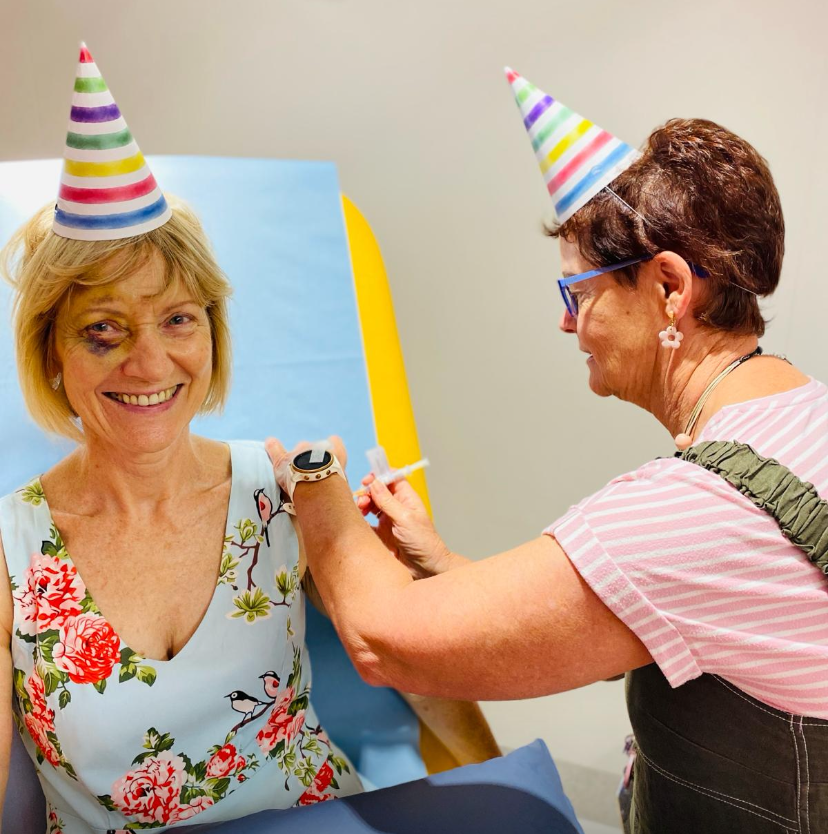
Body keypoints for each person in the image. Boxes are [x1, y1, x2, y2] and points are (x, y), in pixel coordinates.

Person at [265, 69, 828, 833]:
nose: (567, 325)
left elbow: (381, 641)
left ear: (668, 288)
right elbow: (624, 617)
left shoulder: (689, 513)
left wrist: (314, 483)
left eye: (578, 293)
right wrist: (440, 565)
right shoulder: (804, 416)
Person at [0, 45, 498, 833]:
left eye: (178, 320)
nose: (151, 363)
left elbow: (404, 654)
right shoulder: (10, 546)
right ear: (51, 357)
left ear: (212, 334)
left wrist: (500, 792)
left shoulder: (286, 489)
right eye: (104, 331)